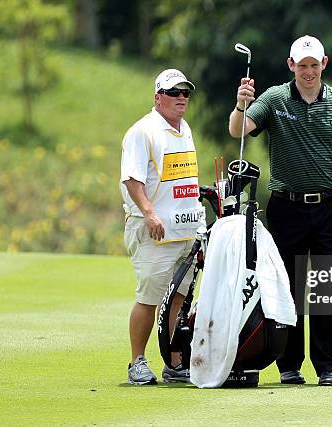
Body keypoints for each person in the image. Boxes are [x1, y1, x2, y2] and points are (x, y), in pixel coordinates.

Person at [228, 35, 332, 386]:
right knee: (287, 286)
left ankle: (327, 367)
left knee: (325, 286)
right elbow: (238, 131)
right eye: (301, 65)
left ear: (325, 63)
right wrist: (240, 105)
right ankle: (288, 365)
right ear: (291, 65)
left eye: (314, 64)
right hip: (286, 206)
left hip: (329, 205)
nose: (308, 71)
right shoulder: (275, 98)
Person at [120, 69, 206, 385]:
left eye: (185, 92)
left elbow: (185, 180)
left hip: (184, 230)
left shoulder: (185, 129)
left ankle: (174, 362)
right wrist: (149, 213)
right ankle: (137, 362)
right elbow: (131, 179)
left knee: (179, 299)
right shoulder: (142, 132)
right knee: (150, 297)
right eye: (174, 92)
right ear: (158, 97)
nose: (181, 97)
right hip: (153, 231)